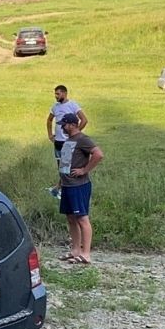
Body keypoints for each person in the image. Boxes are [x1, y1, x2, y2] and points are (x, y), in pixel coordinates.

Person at [56, 113, 103, 265]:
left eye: (64, 125)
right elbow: (65, 163)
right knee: (71, 218)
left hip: (78, 185)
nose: (62, 127)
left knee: (82, 218)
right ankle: (75, 250)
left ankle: (86, 254)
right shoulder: (68, 141)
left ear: (72, 124)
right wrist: (60, 182)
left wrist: (84, 170)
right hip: (67, 185)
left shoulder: (83, 139)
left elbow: (98, 154)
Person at [46, 85, 87, 198]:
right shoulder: (55, 107)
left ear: (64, 93)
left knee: (66, 168)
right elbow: (49, 120)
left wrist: (75, 134)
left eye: (58, 94)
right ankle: (59, 188)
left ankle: (62, 189)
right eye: (55, 94)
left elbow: (84, 120)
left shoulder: (72, 105)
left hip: (67, 142)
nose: (56, 96)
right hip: (58, 141)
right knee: (60, 167)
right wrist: (50, 135)